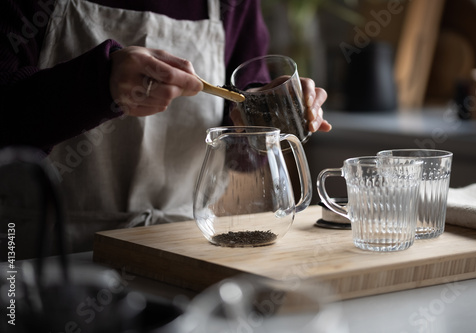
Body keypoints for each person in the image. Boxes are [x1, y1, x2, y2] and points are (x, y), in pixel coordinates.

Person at [0, 0, 331, 254]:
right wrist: (99, 84)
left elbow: (242, 152)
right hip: (47, 254)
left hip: (178, 248)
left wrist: (260, 116)